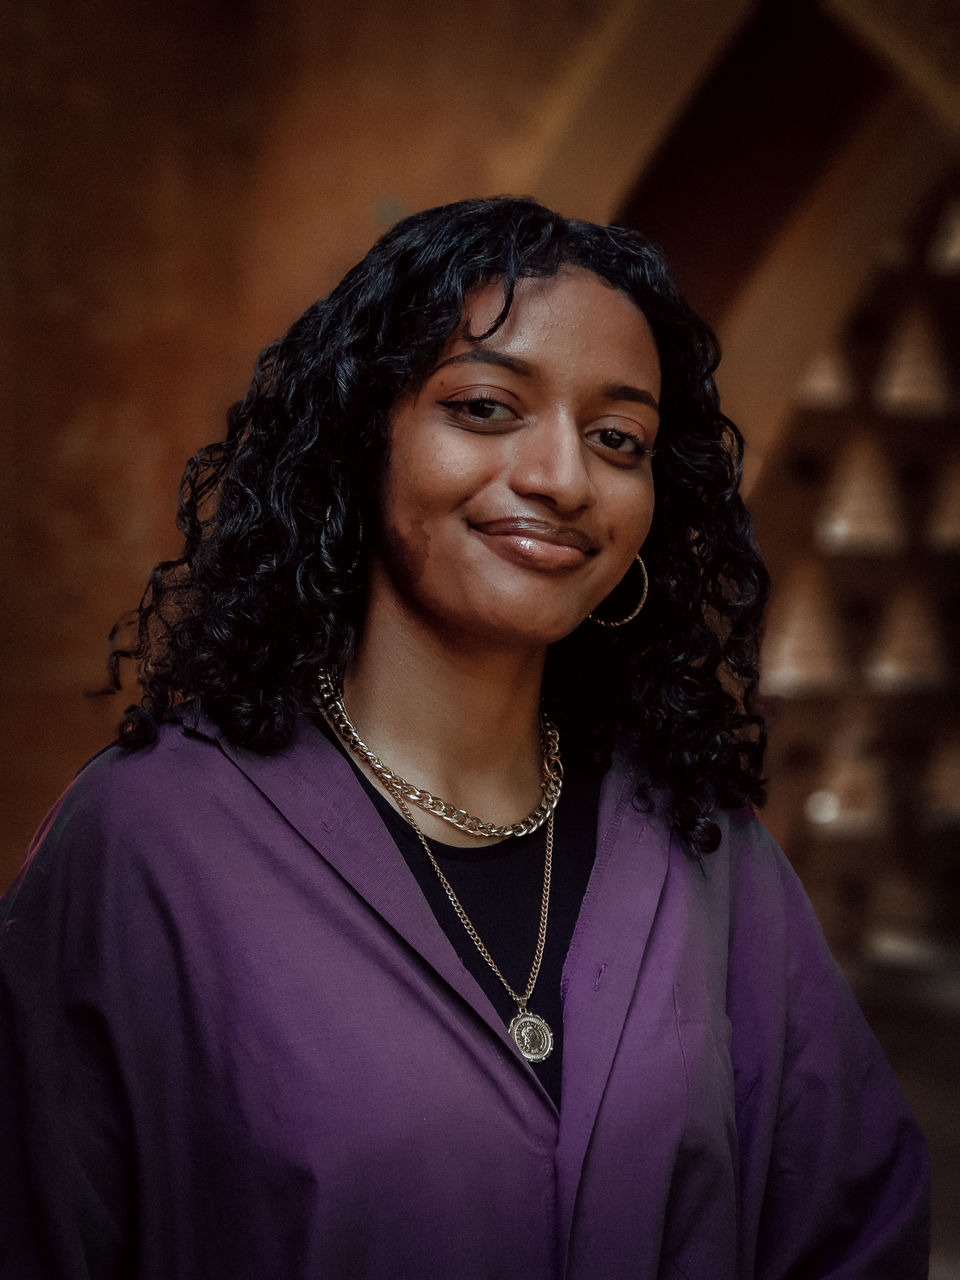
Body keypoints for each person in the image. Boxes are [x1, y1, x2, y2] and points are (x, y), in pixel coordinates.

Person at [0, 197, 928, 1279]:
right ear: (364, 435)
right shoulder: (148, 841)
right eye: (487, 407)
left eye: (616, 437)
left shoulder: (702, 844)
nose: (562, 477)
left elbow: (853, 1224)